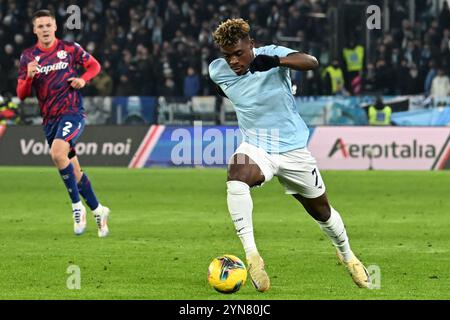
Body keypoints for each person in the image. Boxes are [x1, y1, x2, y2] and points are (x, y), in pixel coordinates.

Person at [209, 18, 371, 292]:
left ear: (252, 45)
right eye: (228, 56)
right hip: (258, 146)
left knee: (322, 213)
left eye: (239, 54)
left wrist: (275, 62)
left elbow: (311, 62)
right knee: (237, 174)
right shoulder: (217, 71)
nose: (234, 61)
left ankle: (347, 255)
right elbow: (233, 90)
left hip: (294, 150)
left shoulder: (272, 55)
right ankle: (252, 257)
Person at [16, 10, 109, 237]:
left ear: (55, 27)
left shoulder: (69, 49)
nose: (45, 30)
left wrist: (82, 80)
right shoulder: (28, 57)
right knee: (74, 170)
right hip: (50, 120)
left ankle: (77, 208)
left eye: (48, 25)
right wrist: (28, 76)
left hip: (72, 112)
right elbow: (21, 94)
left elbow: (94, 66)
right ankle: (99, 210)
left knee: (58, 154)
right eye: (41, 26)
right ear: (35, 30)